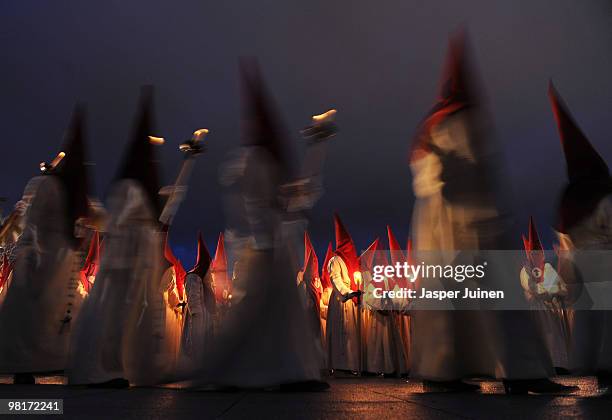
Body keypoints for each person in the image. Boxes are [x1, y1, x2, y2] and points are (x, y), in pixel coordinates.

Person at [409, 32, 570, 394]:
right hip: (475, 224)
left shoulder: (429, 127)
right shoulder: (467, 120)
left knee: (448, 302)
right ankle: (523, 372)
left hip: (439, 230)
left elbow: (426, 181)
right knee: (503, 301)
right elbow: (480, 174)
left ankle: (444, 372)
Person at [185, 59, 326, 390]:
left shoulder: (267, 162)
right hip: (260, 247)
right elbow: (248, 206)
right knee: (252, 311)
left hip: (273, 246)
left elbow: (299, 195)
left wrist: (319, 147)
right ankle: (227, 371)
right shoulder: (250, 161)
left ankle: (291, 372)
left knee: (282, 312)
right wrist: (263, 241)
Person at [67, 87, 170, 387]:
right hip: (121, 264)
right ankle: (105, 369)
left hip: (131, 264)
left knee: (123, 317)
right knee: (112, 316)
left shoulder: (128, 189)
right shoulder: (130, 188)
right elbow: (121, 222)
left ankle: (115, 366)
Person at [0, 105, 90, 384]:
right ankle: (22, 365)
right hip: (36, 258)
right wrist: (32, 254)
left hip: (52, 259)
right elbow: (30, 224)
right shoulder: (43, 187)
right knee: (29, 315)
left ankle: (48, 362)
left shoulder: (63, 191)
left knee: (49, 314)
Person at [548, 82, 612, 388]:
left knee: (587, 318)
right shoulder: (604, 195)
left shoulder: (568, 201)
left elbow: (564, 241)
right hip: (604, 258)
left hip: (578, 261)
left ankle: (589, 365)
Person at [326, 214, 363, 374]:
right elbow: (335, 279)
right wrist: (348, 293)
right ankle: (340, 365)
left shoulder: (348, 261)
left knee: (350, 332)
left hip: (350, 298)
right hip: (341, 299)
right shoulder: (335, 261)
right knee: (341, 331)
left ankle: (350, 364)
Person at [180, 233, 216, 365]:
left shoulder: (197, 278)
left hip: (202, 317)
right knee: (197, 344)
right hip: (198, 319)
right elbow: (194, 308)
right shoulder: (193, 277)